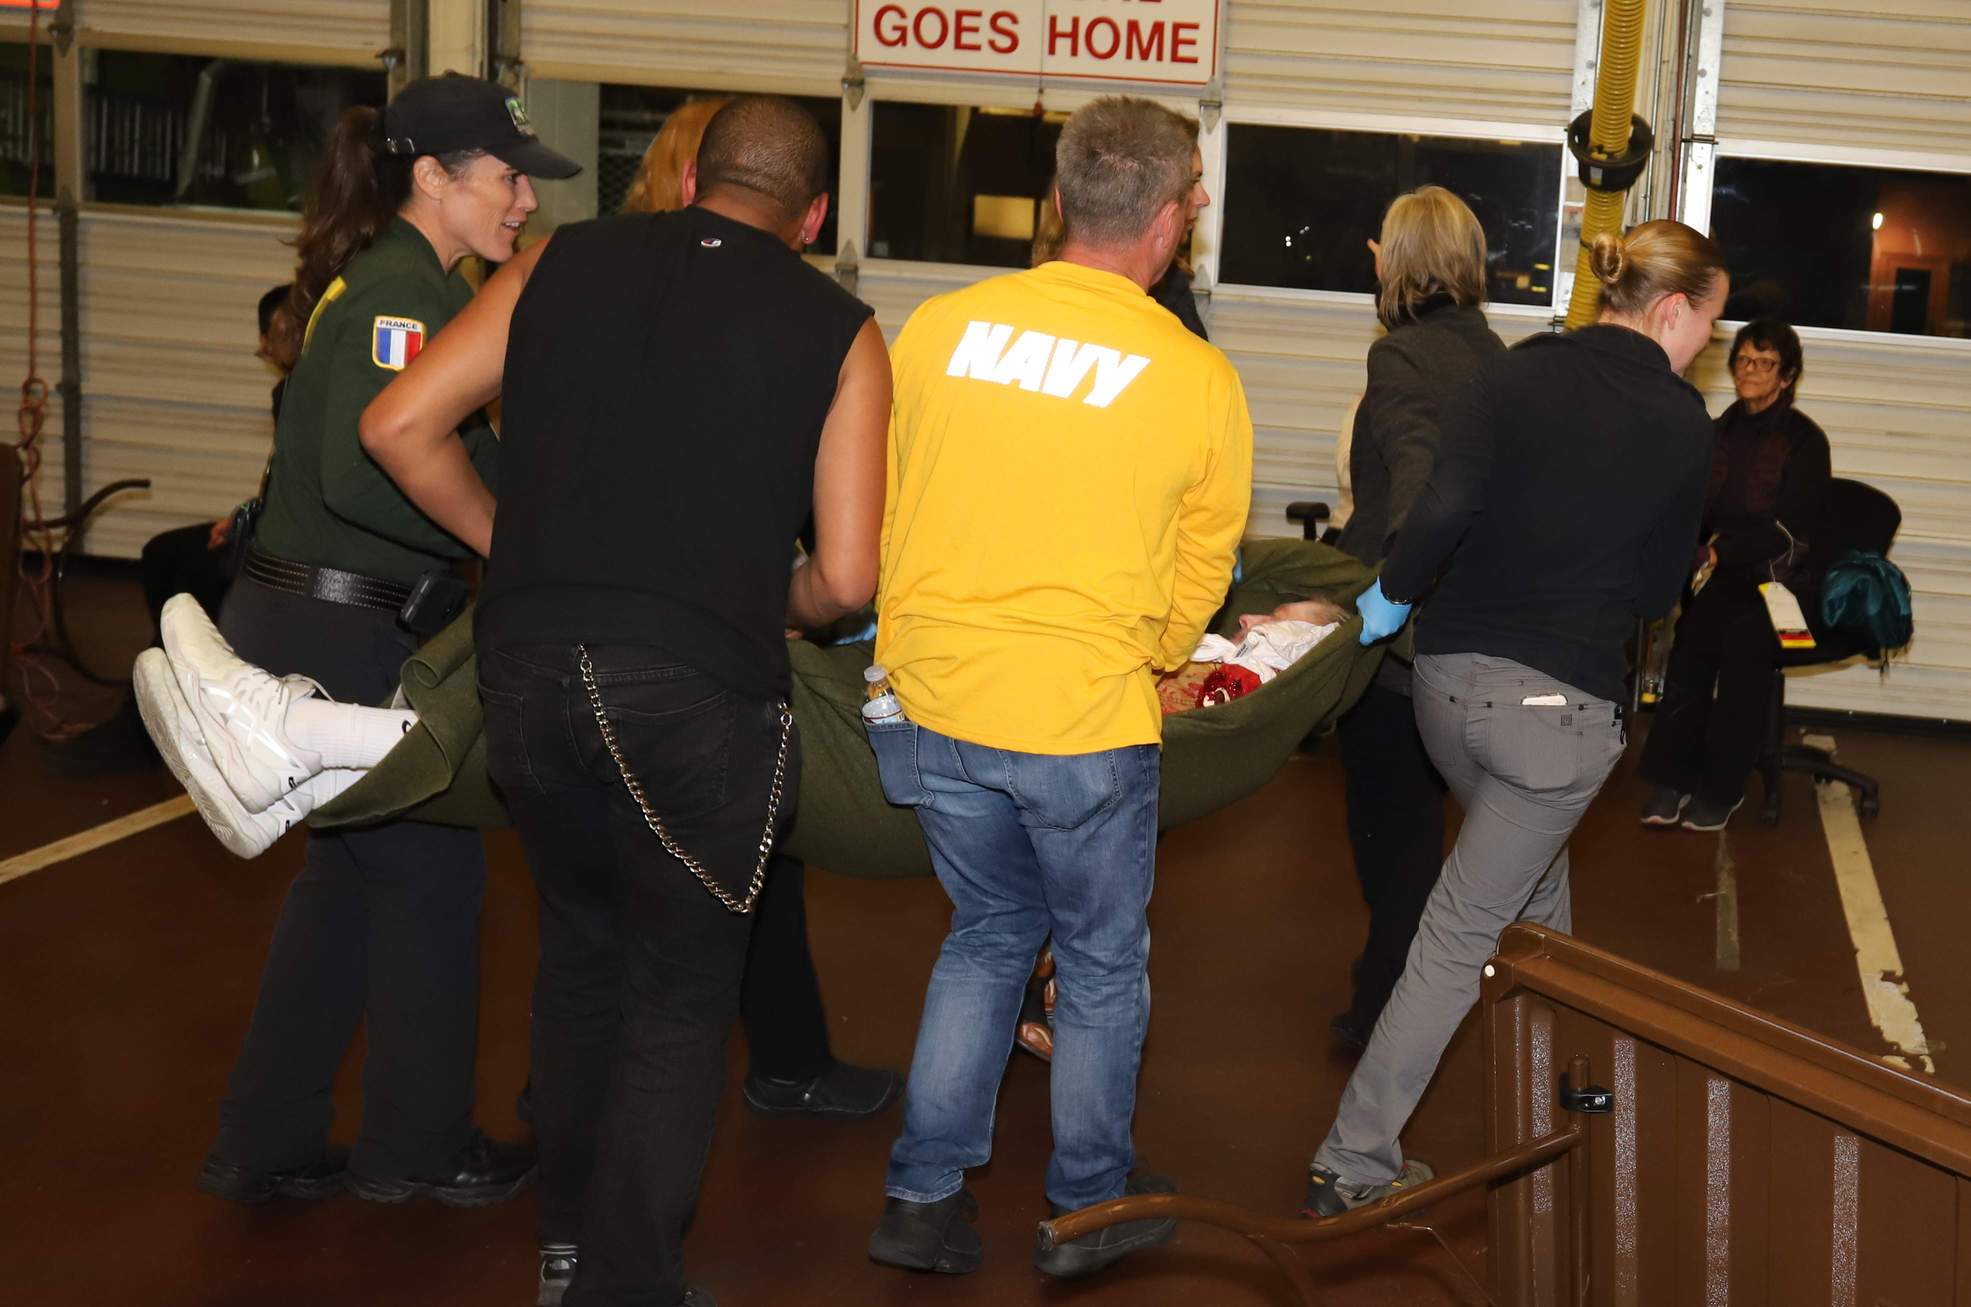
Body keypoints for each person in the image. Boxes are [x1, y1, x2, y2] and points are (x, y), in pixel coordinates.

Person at [356, 95, 890, 1307]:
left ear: (692, 177)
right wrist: (773, 598)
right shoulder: (841, 332)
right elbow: (848, 576)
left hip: (529, 669)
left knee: (581, 957)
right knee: (680, 994)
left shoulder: (552, 263)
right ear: (813, 217)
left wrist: (517, 544)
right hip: (698, 692)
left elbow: (397, 423)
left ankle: (563, 1248)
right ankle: (625, 1284)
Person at [133, 73, 578, 1211]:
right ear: (432, 176)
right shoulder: (404, 296)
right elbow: (364, 466)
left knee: (344, 886)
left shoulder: (405, 280)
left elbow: (436, 453)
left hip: (313, 615)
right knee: (433, 878)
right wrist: (510, 537)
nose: (525, 199)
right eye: (507, 176)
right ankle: (417, 1147)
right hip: (345, 629)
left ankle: (266, 1135)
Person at [864, 95, 1251, 1281]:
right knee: (1097, 963)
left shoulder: (937, 329)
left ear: (1058, 202)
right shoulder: (1195, 378)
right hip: (1081, 716)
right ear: (1171, 220)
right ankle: (1087, 1203)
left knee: (986, 934)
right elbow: (1198, 575)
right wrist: (1154, 653)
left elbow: (882, 495)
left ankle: (922, 1197)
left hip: (935, 702)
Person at [1303, 220, 1727, 1216]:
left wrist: (1389, 598)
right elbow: (1656, 591)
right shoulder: (1679, 422)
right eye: (1709, 325)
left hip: (1445, 689)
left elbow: (1444, 504)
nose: (1708, 345)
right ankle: (1352, 1160)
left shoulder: (1518, 367)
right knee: (1460, 930)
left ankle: (1562, 1089)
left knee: (1535, 888)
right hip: (1552, 720)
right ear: (1673, 309)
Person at [1326, 186, 1502, 1051]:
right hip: (1471, 633)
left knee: (1392, 845)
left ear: (1392, 262)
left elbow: (1418, 474)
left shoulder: (1398, 357)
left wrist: (1390, 592)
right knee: (1421, 834)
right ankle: (1394, 991)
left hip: (1399, 645)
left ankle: (1385, 1019)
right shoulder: (1493, 353)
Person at [1638, 317, 1830, 831]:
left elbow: (1792, 530)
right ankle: (1671, 778)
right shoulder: (1717, 431)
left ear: (1787, 376)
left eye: (1765, 362)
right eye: (1743, 359)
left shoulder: (1806, 441)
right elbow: (1692, 508)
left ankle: (1723, 788)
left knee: (1744, 647)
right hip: (1720, 576)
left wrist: (1719, 553)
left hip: (1780, 583)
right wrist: (1687, 546)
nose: (1750, 370)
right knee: (1691, 646)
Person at [138, 283, 290, 640]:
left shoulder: (301, 395)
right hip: (270, 520)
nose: (267, 349)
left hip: (291, 540)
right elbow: (282, 483)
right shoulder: (287, 393)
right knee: (160, 553)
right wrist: (244, 517)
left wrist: (252, 525)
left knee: (199, 575)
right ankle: (167, 654)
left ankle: (194, 661)